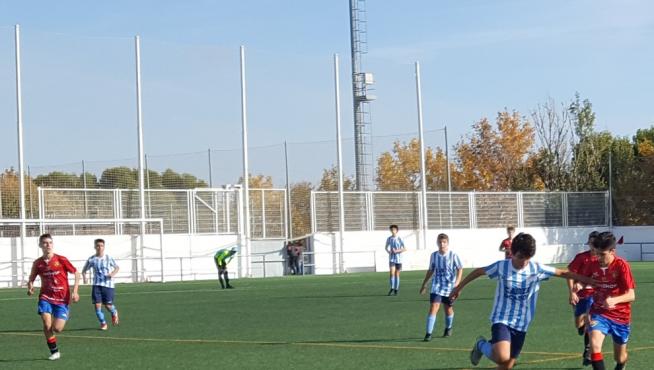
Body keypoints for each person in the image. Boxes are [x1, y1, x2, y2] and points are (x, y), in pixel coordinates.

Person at [450, 233, 596, 370]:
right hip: (502, 318)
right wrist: (458, 288)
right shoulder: (502, 266)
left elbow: (562, 273)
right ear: (512, 253)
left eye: (527, 258)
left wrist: (588, 280)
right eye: (520, 257)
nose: (523, 262)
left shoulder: (536, 268)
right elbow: (479, 271)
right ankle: (481, 345)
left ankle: (487, 347)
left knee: (507, 365)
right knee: (502, 356)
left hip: (522, 323)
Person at [586, 231, 636, 370]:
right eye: (596, 253)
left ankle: (622, 364)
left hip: (620, 316)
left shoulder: (622, 265)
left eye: (602, 254)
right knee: (595, 346)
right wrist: (580, 286)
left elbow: (631, 295)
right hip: (599, 312)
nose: (598, 257)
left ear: (613, 251)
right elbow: (588, 282)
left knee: (619, 358)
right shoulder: (593, 264)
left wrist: (615, 300)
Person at [27, 233, 80, 361]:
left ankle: (64, 314)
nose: (48, 245)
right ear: (40, 245)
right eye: (45, 243)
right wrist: (30, 287)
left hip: (62, 299)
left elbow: (76, 273)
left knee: (57, 328)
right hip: (46, 297)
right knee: (46, 324)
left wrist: (75, 291)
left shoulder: (61, 259)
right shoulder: (38, 263)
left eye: (50, 243)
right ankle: (54, 351)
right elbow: (31, 278)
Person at [419, 233, 463, 341]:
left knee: (448, 309)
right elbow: (431, 270)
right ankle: (428, 333)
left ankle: (448, 327)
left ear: (447, 243)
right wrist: (424, 284)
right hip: (437, 285)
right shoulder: (434, 255)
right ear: (437, 242)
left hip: (449, 286)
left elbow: (460, 268)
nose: (442, 244)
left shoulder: (453, 255)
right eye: (440, 242)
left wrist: (457, 284)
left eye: (444, 242)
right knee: (434, 307)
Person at [567, 231, 599, 366]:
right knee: (579, 324)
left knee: (589, 322)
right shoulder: (581, 258)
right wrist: (572, 292)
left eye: (594, 243)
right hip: (580, 295)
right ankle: (582, 328)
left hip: (595, 295)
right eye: (590, 243)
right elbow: (569, 274)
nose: (592, 246)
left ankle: (588, 351)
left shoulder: (603, 258)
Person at [82, 238, 120, 331]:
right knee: (97, 307)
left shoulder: (108, 258)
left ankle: (114, 312)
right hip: (96, 285)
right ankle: (103, 323)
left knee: (108, 305)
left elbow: (117, 267)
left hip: (108, 285)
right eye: (98, 245)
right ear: (95, 247)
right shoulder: (92, 259)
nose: (100, 247)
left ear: (104, 247)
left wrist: (112, 274)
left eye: (101, 246)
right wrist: (85, 277)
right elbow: (84, 270)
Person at [385, 224, 405, 296]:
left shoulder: (400, 238)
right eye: (391, 230)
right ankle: (392, 288)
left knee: (397, 274)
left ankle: (396, 289)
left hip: (399, 259)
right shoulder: (389, 238)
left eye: (394, 230)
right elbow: (386, 247)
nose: (393, 231)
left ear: (397, 231)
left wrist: (397, 251)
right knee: (391, 273)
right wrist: (389, 251)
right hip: (392, 258)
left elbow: (405, 248)